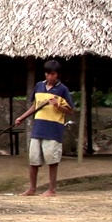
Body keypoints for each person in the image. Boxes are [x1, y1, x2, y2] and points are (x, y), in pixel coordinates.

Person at [15, 60, 74, 197]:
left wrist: (57, 106)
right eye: (47, 74)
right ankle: (32, 189)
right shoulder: (39, 86)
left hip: (53, 130)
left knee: (51, 160)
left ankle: (51, 190)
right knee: (33, 159)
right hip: (38, 128)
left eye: (52, 74)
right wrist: (21, 117)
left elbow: (70, 111)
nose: (49, 77)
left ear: (57, 75)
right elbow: (35, 106)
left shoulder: (62, 89)